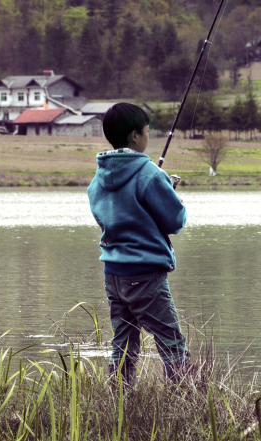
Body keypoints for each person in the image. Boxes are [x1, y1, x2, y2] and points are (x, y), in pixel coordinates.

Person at [87, 102, 190, 388]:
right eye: (147, 131)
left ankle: (119, 402)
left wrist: (159, 187)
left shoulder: (98, 178)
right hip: (145, 275)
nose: (148, 136)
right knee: (172, 343)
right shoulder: (149, 174)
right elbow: (175, 221)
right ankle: (185, 404)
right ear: (135, 136)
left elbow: (116, 219)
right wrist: (168, 190)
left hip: (113, 275)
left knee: (124, 343)